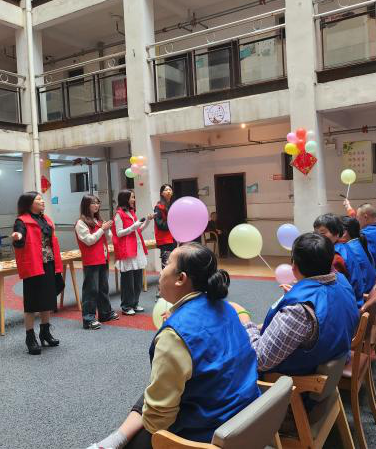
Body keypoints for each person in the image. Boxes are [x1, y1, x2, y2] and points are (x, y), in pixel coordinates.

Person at [88, 243, 260, 449]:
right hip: (246, 417)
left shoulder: (176, 335)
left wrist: (176, 329)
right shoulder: (226, 307)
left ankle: (115, 441)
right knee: (157, 389)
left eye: (166, 264)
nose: (161, 272)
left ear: (181, 279)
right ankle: (114, 439)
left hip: (208, 435)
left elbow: (157, 422)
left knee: (151, 405)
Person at [233, 233, 358, 375]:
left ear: (294, 266)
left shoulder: (299, 310)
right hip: (333, 356)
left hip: (298, 379)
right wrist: (299, 293)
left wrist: (245, 319)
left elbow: (259, 360)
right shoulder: (342, 281)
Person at [11, 192, 63, 355]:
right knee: (32, 304)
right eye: (38, 199)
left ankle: (45, 333)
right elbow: (20, 236)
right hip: (33, 266)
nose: (42, 201)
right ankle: (30, 338)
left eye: (42, 199)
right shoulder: (21, 221)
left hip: (49, 264)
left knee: (47, 300)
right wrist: (18, 236)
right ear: (29, 204)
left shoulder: (45, 219)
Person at [313, 214, 376, 307]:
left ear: (337, 233)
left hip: (350, 304)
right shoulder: (345, 246)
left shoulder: (336, 257)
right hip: (356, 298)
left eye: (322, 233)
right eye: (315, 233)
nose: (318, 237)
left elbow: (330, 289)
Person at [75, 194, 118, 330]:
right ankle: (88, 319)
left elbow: (108, 239)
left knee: (103, 288)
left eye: (98, 203)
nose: (96, 205)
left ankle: (105, 313)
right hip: (91, 260)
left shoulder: (99, 220)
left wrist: (107, 229)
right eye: (93, 203)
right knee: (91, 290)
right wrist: (102, 229)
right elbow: (89, 240)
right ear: (86, 205)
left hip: (103, 258)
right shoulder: (81, 222)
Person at [112, 190, 154, 316]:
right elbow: (119, 233)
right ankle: (126, 306)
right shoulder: (119, 214)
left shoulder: (131, 212)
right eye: (132, 197)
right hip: (127, 250)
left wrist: (147, 220)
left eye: (134, 197)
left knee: (137, 279)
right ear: (125, 199)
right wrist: (132, 227)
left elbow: (138, 229)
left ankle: (135, 303)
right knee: (128, 281)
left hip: (137, 248)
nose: (134, 200)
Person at [154, 184, 176, 270]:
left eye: (170, 190)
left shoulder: (174, 205)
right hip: (164, 240)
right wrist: (172, 223)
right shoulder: (158, 207)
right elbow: (160, 224)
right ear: (161, 193)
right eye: (166, 190)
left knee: (173, 264)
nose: (168, 191)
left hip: (173, 238)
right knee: (166, 264)